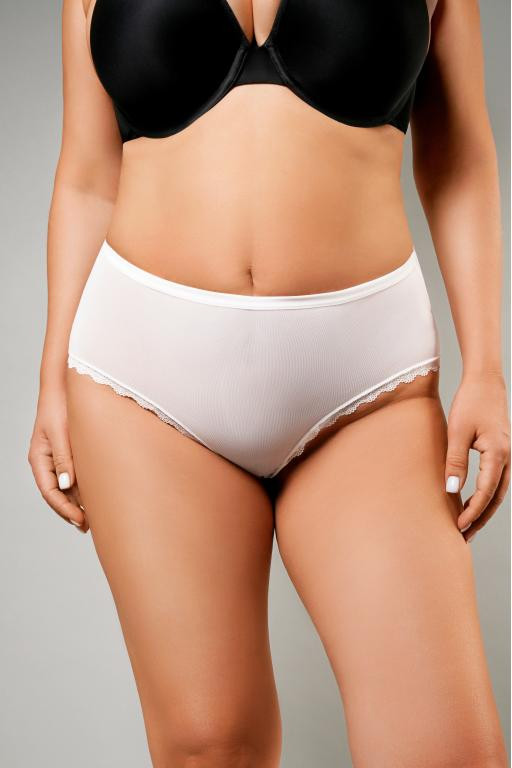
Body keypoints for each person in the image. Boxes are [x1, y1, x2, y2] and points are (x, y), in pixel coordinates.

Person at [29, 0, 510, 765]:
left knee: (444, 753)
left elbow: (459, 159)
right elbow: (88, 177)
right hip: (144, 379)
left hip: (366, 386)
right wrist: (52, 374)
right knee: (209, 746)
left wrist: (486, 365)